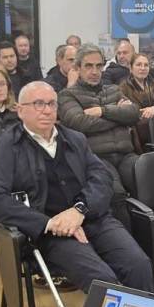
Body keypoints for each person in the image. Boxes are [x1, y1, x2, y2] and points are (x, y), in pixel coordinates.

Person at [0, 81, 154, 293]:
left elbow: (101, 176)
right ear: (20, 110)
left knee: (139, 265)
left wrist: (80, 210)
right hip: (52, 232)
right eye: (38, 104)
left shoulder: (75, 138)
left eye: (52, 104)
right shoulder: (8, 145)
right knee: (103, 281)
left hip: (92, 218)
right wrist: (50, 224)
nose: (46, 110)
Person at [59, 44, 141, 219]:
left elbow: (134, 113)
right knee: (116, 193)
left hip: (127, 154)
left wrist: (102, 111)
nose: (94, 71)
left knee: (148, 182)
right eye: (88, 66)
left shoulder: (113, 89)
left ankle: (152, 242)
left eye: (98, 66)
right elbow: (79, 123)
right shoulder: (67, 95)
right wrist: (118, 116)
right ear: (78, 68)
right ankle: (126, 242)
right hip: (97, 157)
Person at [119, 53, 154, 145]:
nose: (143, 68)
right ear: (131, 68)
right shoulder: (123, 87)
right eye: (138, 65)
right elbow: (124, 111)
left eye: (146, 65)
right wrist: (142, 113)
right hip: (135, 132)